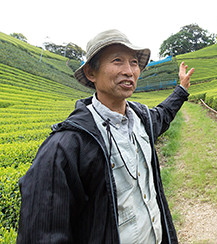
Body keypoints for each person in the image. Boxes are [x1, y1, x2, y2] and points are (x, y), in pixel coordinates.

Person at [17, 29, 195, 244]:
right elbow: (43, 233)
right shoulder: (65, 147)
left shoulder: (143, 119)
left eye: (134, 63)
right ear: (91, 73)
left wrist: (181, 90)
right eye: (117, 61)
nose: (129, 71)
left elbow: (164, 114)